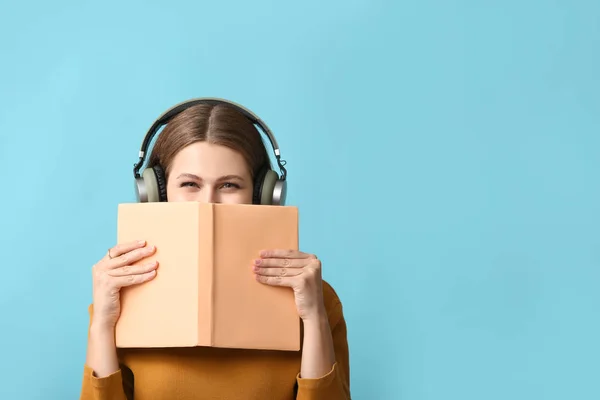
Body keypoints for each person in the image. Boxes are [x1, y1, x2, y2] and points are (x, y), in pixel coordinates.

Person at [78, 98, 351, 400]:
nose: (208, 202)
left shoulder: (317, 299)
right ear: (156, 191)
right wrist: (102, 324)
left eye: (229, 185)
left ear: (263, 194)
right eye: (190, 184)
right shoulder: (118, 298)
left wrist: (314, 318)